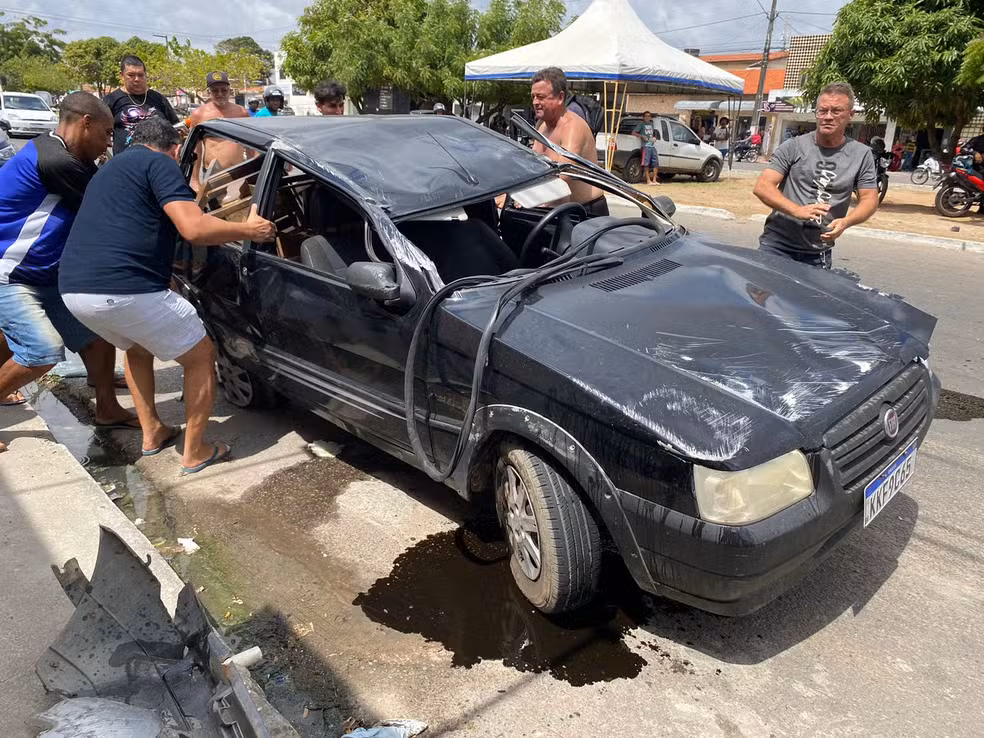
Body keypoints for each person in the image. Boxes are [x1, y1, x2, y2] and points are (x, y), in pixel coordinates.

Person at [59, 118, 276, 472]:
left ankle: (153, 432)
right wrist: (249, 229)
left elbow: (138, 224)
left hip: (76, 290)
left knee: (137, 347)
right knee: (201, 355)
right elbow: (193, 228)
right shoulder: (159, 162)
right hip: (124, 289)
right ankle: (195, 452)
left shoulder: (113, 168)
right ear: (175, 149)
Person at [0, 92, 138, 453]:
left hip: (44, 274)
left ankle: (107, 409)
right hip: (11, 273)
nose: (109, 141)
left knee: (98, 335)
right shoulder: (56, 161)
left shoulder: (62, 153)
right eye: (107, 133)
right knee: (41, 350)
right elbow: (109, 211)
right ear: (85, 123)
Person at [752, 82, 878, 269]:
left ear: (850, 115)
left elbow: (869, 199)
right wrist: (796, 210)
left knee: (810, 299)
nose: (828, 117)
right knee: (764, 297)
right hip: (777, 246)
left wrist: (847, 221)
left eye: (836, 111)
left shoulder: (861, 154)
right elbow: (763, 186)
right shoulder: (793, 146)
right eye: (822, 111)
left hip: (819, 252)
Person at [529, 67, 607, 215]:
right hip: (551, 210)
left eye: (541, 97)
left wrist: (527, 198)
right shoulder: (541, 125)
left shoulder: (573, 127)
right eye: (533, 96)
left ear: (560, 97)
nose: (535, 102)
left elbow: (563, 176)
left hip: (586, 213)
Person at [103, 54, 179, 156]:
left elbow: (175, 127)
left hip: (158, 163)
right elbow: (99, 132)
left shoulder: (159, 99)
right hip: (126, 164)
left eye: (140, 75)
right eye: (131, 75)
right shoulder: (111, 100)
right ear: (122, 75)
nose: (137, 79)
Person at [187, 71, 250, 192]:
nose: (220, 94)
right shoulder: (199, 115)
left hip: (239, 174)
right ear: (208, 92)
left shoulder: (242, 113)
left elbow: (251, 147)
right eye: (215, 90)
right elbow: (196, 149)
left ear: (230, 91)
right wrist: (194, 180)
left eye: (224, 90)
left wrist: (253, 174)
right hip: (213, 177)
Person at [632, 111, 660, 186]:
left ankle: (654, 180)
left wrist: (654, 138)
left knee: (656, 163)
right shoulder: (641, 124)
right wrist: (642, 136)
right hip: (645, 146)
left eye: (649, 116)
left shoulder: (651, 124)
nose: (647, 117)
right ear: (643, 117)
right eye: (646, 116)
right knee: (646, 164)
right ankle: (648, 180)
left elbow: (652, 134)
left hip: (652, 146)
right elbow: (633, 132)